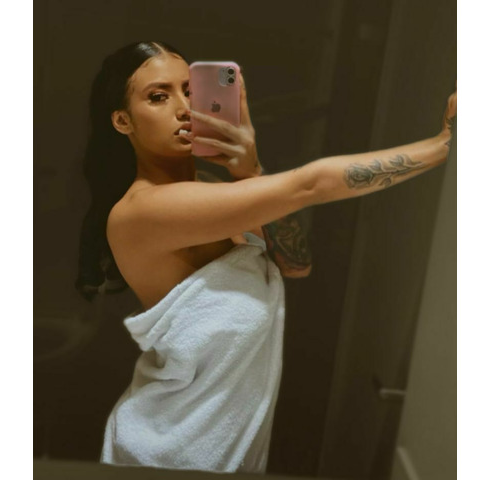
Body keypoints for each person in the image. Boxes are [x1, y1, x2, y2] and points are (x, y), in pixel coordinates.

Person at [75, 41, 457, 473]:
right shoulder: (143, 212)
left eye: (190, 90)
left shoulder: (218, 192)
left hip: (213, 450)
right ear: (123, 120)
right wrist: (444, 145)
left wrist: (250, 172)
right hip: (170, 452)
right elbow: (309, 185)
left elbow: (295, 263)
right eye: (159, 96)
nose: (184, 108)